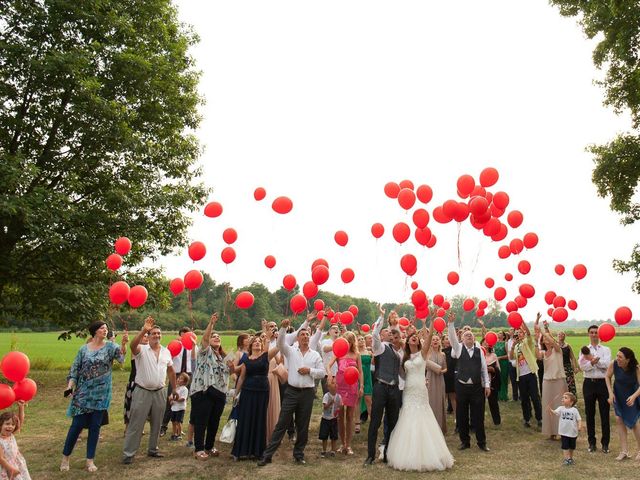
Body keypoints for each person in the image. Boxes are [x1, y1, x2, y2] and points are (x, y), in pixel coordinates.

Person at [386, 319, 454, 471]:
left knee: (423, 415)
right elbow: (402, 374)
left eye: (416, 336)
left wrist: (429, 322)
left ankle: (429, 453)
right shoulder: (404, 357)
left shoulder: (423, 354)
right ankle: (406, 453)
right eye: (411, 337)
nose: (414, 337)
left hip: (421, 390)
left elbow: (428, 339)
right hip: (409, 390)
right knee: (408, 415)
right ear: (408, 341)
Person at [258, 318, 325, 466]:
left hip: (307, 393)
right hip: (292, 391)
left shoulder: (315, 355)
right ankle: (267, 455)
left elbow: (322, 372)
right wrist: (282, 328)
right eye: (302, 335)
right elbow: (281, 343)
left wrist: (310, 370)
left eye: (307, 334)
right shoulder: (291, 351)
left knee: (303, 425)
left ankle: (298, 454)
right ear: (298, 338)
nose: (305, 336)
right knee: (282, 423)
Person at [61, 321, 127, 472]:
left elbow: (121, 359)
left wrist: (123, 344)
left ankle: (90, 461)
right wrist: (70, 386)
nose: (105, 330)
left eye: (106, 328)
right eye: (102, 328)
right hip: (82, 394)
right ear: (95, 331)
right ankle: (65, 458)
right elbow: (75, 369)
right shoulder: (83, 349)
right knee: (76, 426)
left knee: (95, 427)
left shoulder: (111, 347)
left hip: (101, 394)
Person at [122, 317, 177, 465]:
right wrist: (143, 330)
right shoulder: (142, 349)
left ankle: (153, 449)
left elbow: (171, 371)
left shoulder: (166, 352)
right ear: (149, 335)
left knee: (157, 423)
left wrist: (174, 389)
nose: (157, 336)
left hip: (160, 391)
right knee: (136, 423)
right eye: (153, 333)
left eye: (159, 333)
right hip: (142, 391)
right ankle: (129, 454)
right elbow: (133, 345)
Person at [232, 322, 280, 460]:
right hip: (247, 391)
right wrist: (236, 394)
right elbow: (241, 378)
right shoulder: (246, 360)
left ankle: (257, 451)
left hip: (262, 391)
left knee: (259, 419)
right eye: (255, 342)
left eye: (260, 342)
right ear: (251, 345)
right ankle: (241, 451)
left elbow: (276, 346)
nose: (257, 343)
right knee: (245, 418)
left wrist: (270, 333)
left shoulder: (266, 356)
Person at [189, 313, 232, 461]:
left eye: (219, 337)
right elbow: (205, 339)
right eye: (214, 336)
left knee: (214, 421)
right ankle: (199, 449)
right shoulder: (205, 352)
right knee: (202, 421)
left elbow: (232, 374)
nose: (216, 337)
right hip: (203, 391)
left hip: (219, 393)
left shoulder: (224, 357)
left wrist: (232, 367)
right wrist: (211, 324)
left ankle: (209, 446)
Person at [364, 306, 403, 466]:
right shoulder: (379, 348)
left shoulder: (398, 352)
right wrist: (381, 316)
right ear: (382, 335)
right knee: (375, 422)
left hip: (394, 390)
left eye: (392, 333)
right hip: (380, 387)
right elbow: (374, 334)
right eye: (387, 332)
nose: (390, 333)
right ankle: (370, 455)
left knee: (393, 423)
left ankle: (388, 454)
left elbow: (401, 373)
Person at [447, 314, 491, 452]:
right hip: (461, 386)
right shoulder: (459, 349)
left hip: (477, 387)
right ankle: (464, 441)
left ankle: (481, 442)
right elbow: (453, 339)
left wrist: (487, 385)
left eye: (471, 335)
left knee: (478, 415)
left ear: (474, 338)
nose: (469, 336)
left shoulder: (479, 351)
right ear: (462, 339)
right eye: (466, 335)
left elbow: (484, 369)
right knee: (462, 415)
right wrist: (451, 324)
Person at [326, 331, 363, 455]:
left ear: (352, 342)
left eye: (349, 340)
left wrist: (361, 386)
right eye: (345, 340)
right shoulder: (339, 353)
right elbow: (328, 365)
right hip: (340, 385)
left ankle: (349, 445)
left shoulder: (357, 354)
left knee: (350, 416)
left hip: (352, 386)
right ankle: (342, 444)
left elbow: (361, 372)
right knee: (340, 416)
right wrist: (330, 374)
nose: (347, 343)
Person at [579, 324, 612, 453]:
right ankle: (591, 443)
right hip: (589, 383)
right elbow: (582, 367)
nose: (594, 335)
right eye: (591, 332)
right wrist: (593, 362)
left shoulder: (606, 349)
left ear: (599, 334)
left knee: (605, 414)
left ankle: (605, 444)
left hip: (603, 383)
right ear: (588, 334)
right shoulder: (584, 350)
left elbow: (607, 366)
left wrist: (592, 361)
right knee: (590, 414)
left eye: (596, 332)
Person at [605, 347, 640, 460]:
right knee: (619, 420)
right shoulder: (613, 364)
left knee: (634, 422)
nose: (617, 359)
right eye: (617, 356)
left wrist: (634, 396)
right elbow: (607, 376)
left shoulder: (636, 368)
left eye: (620, 357)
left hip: (632, 396)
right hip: (618, 396)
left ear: (628, 359)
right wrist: (611, 393)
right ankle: (624, 451)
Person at [160, 327, 194, 438]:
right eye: (182, 336)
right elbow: (166, 358)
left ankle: (179, 427)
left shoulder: (193, 347)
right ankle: (163, 426)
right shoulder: (174, 345)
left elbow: (195, 360)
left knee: (183, 401)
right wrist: (173, 348)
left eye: (187, 336)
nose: (184, 339)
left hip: (188, 375)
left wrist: (193, 345)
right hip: (176, 375)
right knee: (170, 400)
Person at [509, 315, 542, 429]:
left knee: (535, 397)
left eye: (520, 333)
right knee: (524, 399)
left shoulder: (528, 342)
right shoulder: (517, 345)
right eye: (517, 333)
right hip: (521, 376)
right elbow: (511, 357)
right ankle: (527, 418)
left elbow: (528, 333)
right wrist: (513, 346)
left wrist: (521, 320)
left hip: (530, 374)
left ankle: (539, 418)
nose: (519, 334)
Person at [538, 325, 567, 440]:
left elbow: (553, 342)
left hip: (559, 381)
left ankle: (563, 431)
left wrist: (543, 332)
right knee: (549, 406)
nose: (547, 340)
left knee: (561, 406)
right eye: (545, 339)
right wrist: (537, 340)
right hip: (547, 382)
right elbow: (536, 355)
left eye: (549, 338)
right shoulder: (543, 353)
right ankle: (551, 432)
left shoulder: (558, 350)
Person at [124, 332, 148, 434]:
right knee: (130, 406)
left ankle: (140, 427)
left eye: (148, 336)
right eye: (144, 336)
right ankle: (127, 428)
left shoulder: (150, 351)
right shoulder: (136, 350)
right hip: (134, 382)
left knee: (143, 408)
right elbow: (134, 345)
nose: (146, 338)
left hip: (145, 383)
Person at [548, 392, 582, 466]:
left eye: (565, 398)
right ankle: (566, 459)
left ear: (571, 402)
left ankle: (570, 458)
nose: (563, 399)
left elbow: (579, 419)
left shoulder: (574, 410)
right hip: (564, 432)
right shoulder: (561, 408)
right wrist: (550, 410)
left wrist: (579, 426)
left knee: (572, 447)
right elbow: (555, 412)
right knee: (565, 446)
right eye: (562, 397)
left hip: (573, 432)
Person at [0, 401, 30, 480]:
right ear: (0, 425)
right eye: (7, 424)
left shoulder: (11, 435)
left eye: (12, 424)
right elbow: (1, 459)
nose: (10, 426)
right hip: (7, 468)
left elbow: (20, 420)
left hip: (18, 464)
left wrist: (21, 407)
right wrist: (11, 469)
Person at [426, 334, 448, 433]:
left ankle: (440, 426)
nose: (435, 341)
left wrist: (441, 371)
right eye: (433, 339)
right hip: (430, 378)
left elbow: (445, 367)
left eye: (437, 339)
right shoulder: (427, 353)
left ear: (439, 342)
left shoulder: (443, 354)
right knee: (431, 401)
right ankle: (430, 427)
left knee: (440, 400)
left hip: (440, 379)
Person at [319, 380, 342, 458]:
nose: (335, 385)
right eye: (332, 384)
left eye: (336, 383)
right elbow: (325, 407)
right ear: (328, 387)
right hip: (326, 419)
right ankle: (324, 450)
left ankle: (333, 450)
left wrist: (340, 408)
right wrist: (330, 403)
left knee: (334, 436)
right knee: (324, 435)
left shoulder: (339, 397)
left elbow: (340, 407)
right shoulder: (326, 396)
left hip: (334, 419)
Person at [482, 336, 501, 426]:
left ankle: (497, 421)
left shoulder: (494, 356)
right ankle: (480, 421)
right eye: (483, 343)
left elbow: (498, 369)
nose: (485, 345)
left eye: (487, 343)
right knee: (480, 403)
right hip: (481, 382)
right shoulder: (478, 355)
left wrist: (493, 369)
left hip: (492, 382)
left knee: (493, 402)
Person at [357, 334, 373, 433]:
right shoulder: (356, 353)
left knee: (368, 399)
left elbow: (374, 364)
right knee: (357, 399)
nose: (362, 340)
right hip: (358, 376)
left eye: (363, 339)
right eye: (359, 339)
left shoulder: (369, 352)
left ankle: (373, 420)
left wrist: (373, 356)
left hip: (368, 377)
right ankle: (357, 422)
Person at [170, 373, 190, 441]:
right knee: (173, 422)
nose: (178, 379)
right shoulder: (175, 388)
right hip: (174, 408)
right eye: (178, 378)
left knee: (178, 422)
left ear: (185, 382)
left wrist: (175, 399)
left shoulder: (185, 389)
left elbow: (183, 399)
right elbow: (171, 396)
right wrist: (170, 399)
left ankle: (179, 435)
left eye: (181, 379)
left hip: (180, 408)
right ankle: (174, 434)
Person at [558, 331, 579, 397]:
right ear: (557, 336)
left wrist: (575, 367)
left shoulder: (568, 346)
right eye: (559, 334)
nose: (561, 336)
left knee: (570, 384)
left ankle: (572, 399)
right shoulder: (555, 345)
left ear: (565, 336)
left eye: (563, 334)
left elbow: (572, 357)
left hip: (568, 367)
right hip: (559, 368)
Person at [442, 335, 457, 416]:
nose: (448, 340)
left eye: (449, 339)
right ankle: (441, 416)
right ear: (443, 341)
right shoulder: (440, 351)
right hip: (442, 376)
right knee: (442, 398)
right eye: (446, 339)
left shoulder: (454, 351)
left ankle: (456, 416)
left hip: (452, 376)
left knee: (453, 397)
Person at [495, 331, 510, 401]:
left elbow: (508, 355)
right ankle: (497, 396)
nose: (498, 334)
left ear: (504, 336)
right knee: (497, 379)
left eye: (500, 333)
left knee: (503, 378)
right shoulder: (495, 343)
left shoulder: (505, 343)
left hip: (503, 363)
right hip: (496, 363)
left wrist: (500, 358)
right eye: (498, 333)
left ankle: (504, 396)